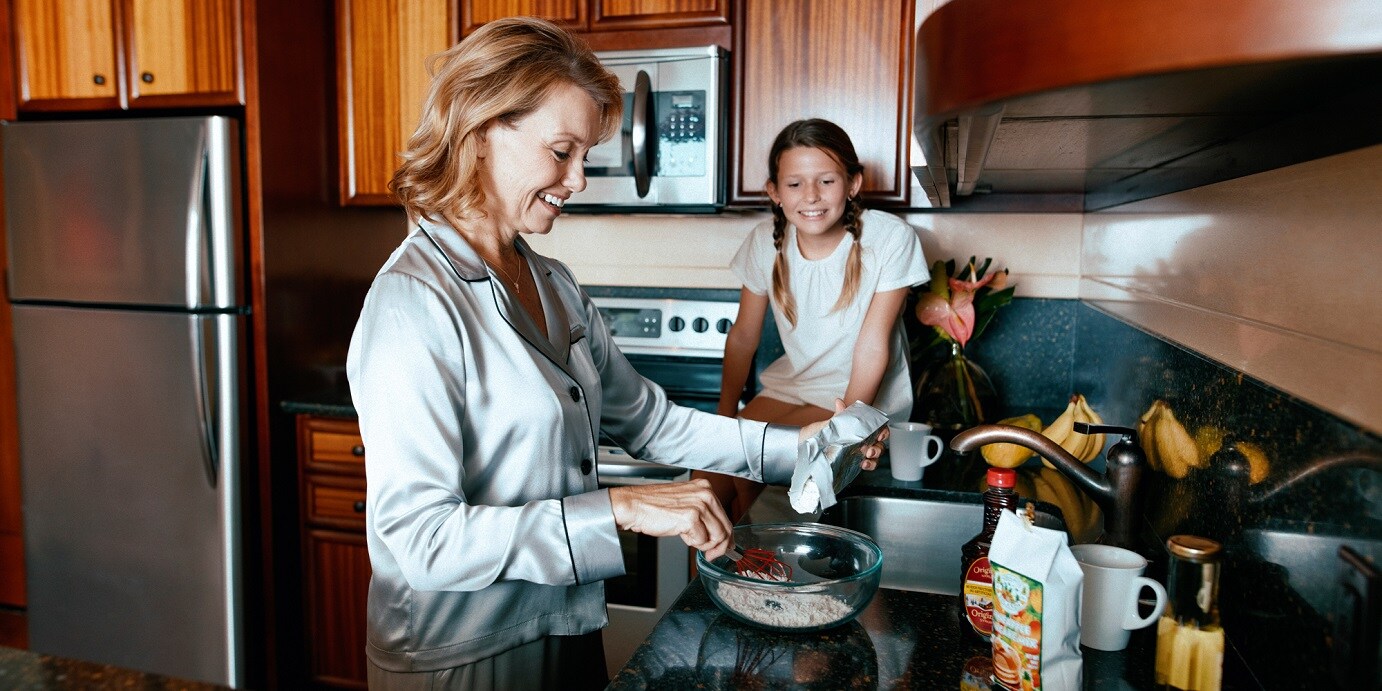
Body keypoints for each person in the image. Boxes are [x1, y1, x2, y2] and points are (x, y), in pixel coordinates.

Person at [345, 18, 881, 691]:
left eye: (585, 155)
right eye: (563, 150)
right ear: (483, 132)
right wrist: (620, 507)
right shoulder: (412, 302)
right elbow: (423, 542)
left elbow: (653, 423)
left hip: (567, 622)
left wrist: (806, 446)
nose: (579, 178)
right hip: (464, 655)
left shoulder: (552, 284)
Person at [695, 119, 930, 521]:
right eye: (795, 184)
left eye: (826, 181)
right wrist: (724, 414)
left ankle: (751, 568)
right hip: (793, 387)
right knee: (707, 479)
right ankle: (718, 582)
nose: (811, 196)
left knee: (753, 470)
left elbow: (873, 345)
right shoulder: (763, 243)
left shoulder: (890, 238)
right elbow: (743, 337)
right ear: (774, 192)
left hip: (855, 397)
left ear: (853, 183)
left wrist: (849, 428)